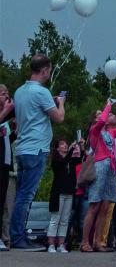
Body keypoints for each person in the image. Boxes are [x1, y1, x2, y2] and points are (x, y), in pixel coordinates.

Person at [10, 54, 65, 250]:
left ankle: (17, 234)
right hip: (36, 149)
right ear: (44, 70)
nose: (49, 73)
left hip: (23, 148)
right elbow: (58, 118)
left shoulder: (19, 91)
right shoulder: (41, 92)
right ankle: (17, 237)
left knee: (21, 195)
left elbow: (32, 110)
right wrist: (61, 102)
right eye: (49, 70)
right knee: (26, 195)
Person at [81, 100, 116, 252]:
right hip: (100, 167)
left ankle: (98, 242)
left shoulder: (110, 132)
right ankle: (85, 242)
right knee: (94, 205)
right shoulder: (94, 131)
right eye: (101, 114)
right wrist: (108, 105)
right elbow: (102, 120)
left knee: (105, 206)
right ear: (96, 119)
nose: (105, 115)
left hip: (111, 169)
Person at [47, 138, 82, 252]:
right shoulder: (56, 160)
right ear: (57, 148)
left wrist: (80, 147)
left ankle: (61, 245)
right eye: (62, 144)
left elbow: (81, 159)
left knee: (65, 220)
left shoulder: (71, 160)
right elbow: (62, 164)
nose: (65, 145)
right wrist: (72, 150)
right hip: (58, 193)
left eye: (66, 144)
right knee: (55, 219)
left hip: (69, 193)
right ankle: (51, 245)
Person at [0, 84, 14, 251]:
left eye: (7, 94)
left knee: (2, 201)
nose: (6, 97)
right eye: (3, 94)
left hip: (4, 163)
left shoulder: (5, 117)